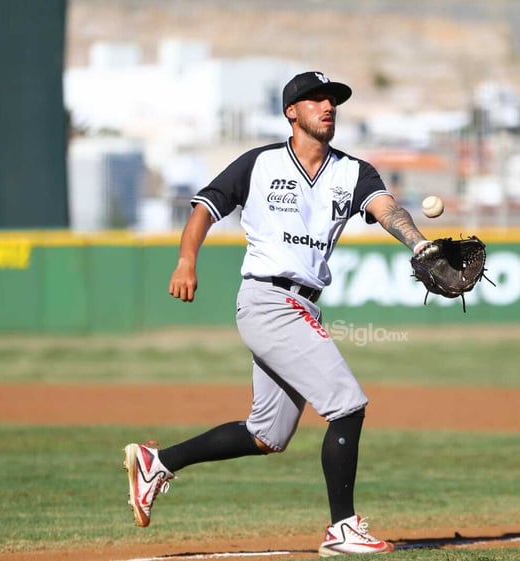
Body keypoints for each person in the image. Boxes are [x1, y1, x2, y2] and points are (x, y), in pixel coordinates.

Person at [123, 71, 434, 556]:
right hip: (269, 299)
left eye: (333, 100)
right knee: (347, 405)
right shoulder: (261, 163)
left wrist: (418, 245)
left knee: (267, 434)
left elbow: (387, 208)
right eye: (316, 99)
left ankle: (156, 462)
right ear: (292, 111)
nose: (328, 106)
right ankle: (342, 529)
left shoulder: (354, 172)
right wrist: (187, 259)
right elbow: (205, 207)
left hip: (302, 301)